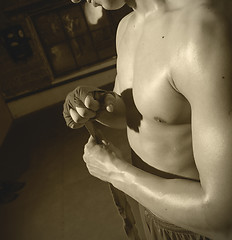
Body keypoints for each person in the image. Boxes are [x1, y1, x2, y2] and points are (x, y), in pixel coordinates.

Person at [63, 0, 232, 239]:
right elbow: (139, 115)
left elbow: (223, 217)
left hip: (198, 228)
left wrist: (115, 173)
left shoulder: (201, 32)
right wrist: (98, 105)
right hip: (154, 214)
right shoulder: (126, 26)